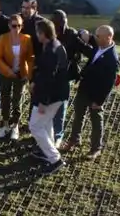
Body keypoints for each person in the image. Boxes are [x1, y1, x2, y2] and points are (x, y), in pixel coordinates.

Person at [61, 25, 120, 160]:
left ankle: (95, 149)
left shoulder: (112, 57)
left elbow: (109, 82)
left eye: (98, 36)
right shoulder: (99, 45)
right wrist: (82, 33)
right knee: (78, 116)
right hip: (84, 89)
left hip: (96, 94)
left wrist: (100, 101)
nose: (95, 38)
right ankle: (74, 140)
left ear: (108, 37)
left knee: (96, 121)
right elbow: (86, 40)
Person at [28, 18, 70, 173]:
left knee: (35, 126)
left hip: (50, 97)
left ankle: (54, 159)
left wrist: (42, 102)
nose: (36, 35)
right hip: (58, 95)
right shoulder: (56, 45)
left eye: (38, 32)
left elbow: (48, 79)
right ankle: (47, 151)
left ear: (43, 33)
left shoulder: (50, 51)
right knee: (46, 123)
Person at [50, 9, 90, 144]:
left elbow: (85, 48)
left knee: (61, 105)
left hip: (66, 75)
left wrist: (97, 54)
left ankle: (58, 134)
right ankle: (49, 132)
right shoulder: (51, 33)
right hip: (51, 74)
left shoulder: (71, 34)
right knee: (50, 103)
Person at [0, 14, 34, 140]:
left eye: (19, 25)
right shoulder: (3, 38)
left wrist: (28, 74)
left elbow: (30, 58)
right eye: (13, 26)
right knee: (5, 99)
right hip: (6, 73)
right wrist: (8, 70)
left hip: (20, 74)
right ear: (9, 26)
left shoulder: (27, 39)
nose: (16, 28)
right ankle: (5, 124)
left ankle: (15, 126)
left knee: (17, 101)